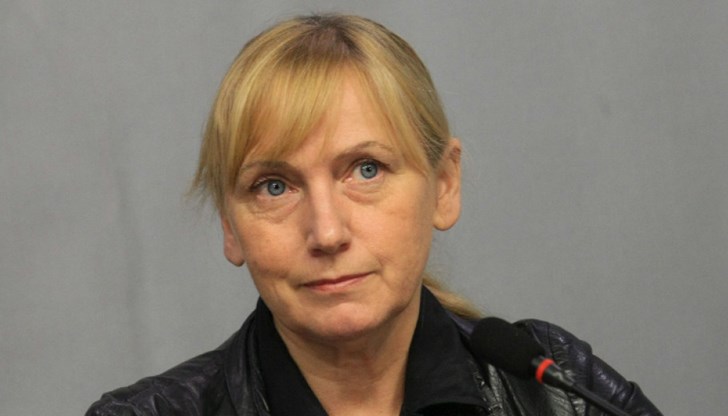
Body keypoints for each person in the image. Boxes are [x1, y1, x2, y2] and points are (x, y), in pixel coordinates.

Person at [86, 14, 662, 416]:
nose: (326, 232)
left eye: (366, 170)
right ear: (229, 225)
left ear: (444, 186)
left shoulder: (559, 390)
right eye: (274, 186)